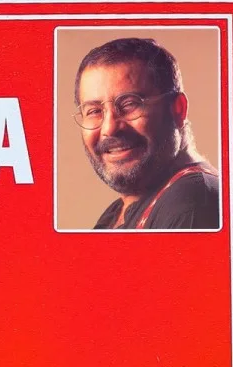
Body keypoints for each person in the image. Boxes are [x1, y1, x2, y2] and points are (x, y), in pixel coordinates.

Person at [73, 37, 221, 230]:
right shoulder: (117, 211)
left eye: (129, 104)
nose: (109, 128)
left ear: (178, 109)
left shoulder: (191, 202)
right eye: (94, 111)